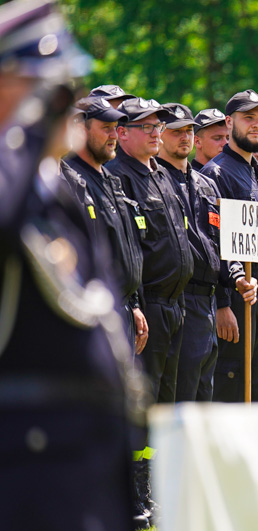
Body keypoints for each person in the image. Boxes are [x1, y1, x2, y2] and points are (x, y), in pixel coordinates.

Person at [0, 0, 141, 531]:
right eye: (52, 87)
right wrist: (25, 129)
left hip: (74, 468)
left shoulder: (51, 188)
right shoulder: (15, 179)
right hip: (23, 477)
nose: (67, 106)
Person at [156, 103, 257, 402]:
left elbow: (223, 242)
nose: (184, 137)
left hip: (207, 302)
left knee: (203, 393)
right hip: (176, 298)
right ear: (161, 135)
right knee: (179, 393)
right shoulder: (155, 181)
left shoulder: (206, 184)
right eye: (176, 132)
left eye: (188, 130)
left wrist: (238, 276)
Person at [106, 97, 194, 403]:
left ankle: (160, 454)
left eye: (158, 125)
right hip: (149, 306)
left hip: (176, 305)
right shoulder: (117, 177)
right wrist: (135, 305)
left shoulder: (161, 175)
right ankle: (141, 454)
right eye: (146, 126)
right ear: (122, 132)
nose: (156, 132)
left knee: (169, 398)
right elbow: (125, 250)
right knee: (146, 398)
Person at [200, 89, 258, 402]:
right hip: (233, 300)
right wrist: (221, 303)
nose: (257, 125)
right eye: (249, 118)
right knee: (232, 390)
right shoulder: (216, 173)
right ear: (228, 121)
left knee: (256, 391)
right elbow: (211, 243)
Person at [65, 97, 147, 354]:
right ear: (81, 129)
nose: (114, 135)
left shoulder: (111, 180)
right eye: (105, 128)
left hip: (123, 310)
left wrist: (133, 304)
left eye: (116, 128)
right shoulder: (72, 182)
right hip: (97, 313)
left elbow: (125, 249)